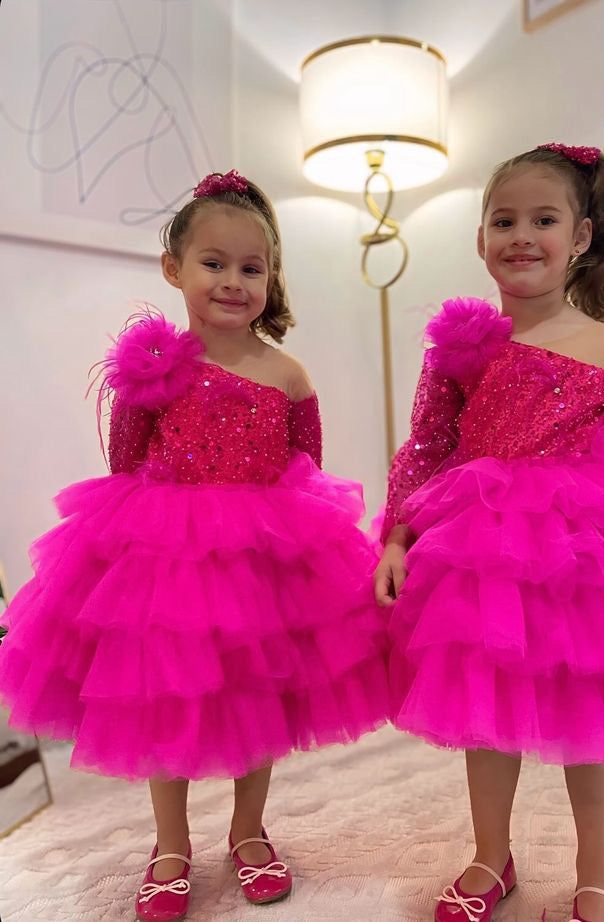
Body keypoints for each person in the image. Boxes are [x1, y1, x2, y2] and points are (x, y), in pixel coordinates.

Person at [0, 170, 389, 920]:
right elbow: (124, 463)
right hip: (167, 558)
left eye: (252, 267)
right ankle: (171, 843)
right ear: (173, 269)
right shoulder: (156, 370)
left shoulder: (288, 373)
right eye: (214, 263)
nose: (234, 282)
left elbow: (306, 469)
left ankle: (248, 831)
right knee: (162, 694)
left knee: (263, 693)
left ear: (271, 277)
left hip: (263, 561)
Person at [374, 144, 604, 922]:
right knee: (485, 712)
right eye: (503, 221)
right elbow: (427, 447)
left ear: (581, 236)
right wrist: (396, 536)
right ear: (480, 238)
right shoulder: (461, 349)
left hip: (586, 562)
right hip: (479, 553)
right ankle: (490, 856)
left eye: (543, 220)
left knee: (593, 718)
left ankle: (598, 873)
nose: (521, 236)